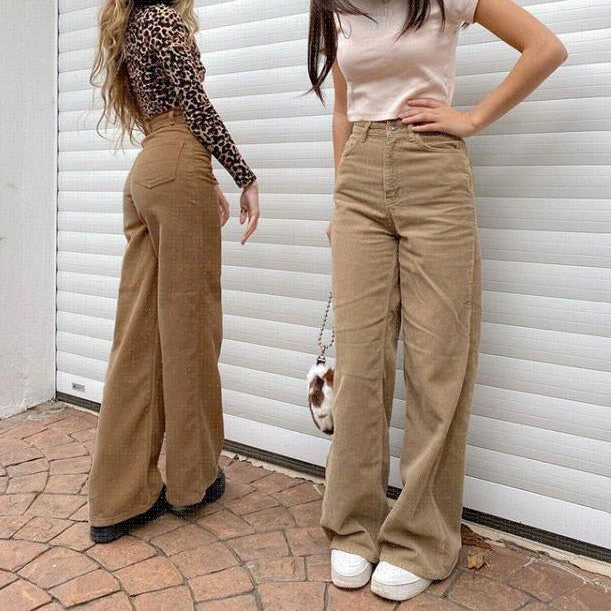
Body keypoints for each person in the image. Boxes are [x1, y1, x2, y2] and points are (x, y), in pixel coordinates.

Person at [308, 0, 567, 601]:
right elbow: (344, 108)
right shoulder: (332, 6)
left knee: (437, 363)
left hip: (434, 172)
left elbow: (545, 48)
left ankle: (421, 539)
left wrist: (472, 118)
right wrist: (341, 196)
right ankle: (352, 526)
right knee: (361, 363)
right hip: (359, 180)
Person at [87, 0, 260, 543]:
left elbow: (167, 116)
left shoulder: (134, 22)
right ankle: (192, 482)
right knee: (191, 330)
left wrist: (201, 179)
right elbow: (194, 103)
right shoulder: (162, 17)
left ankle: (118, 498)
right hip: (178, 163)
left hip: (151, 169)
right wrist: (242, 175)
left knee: (138, 336)